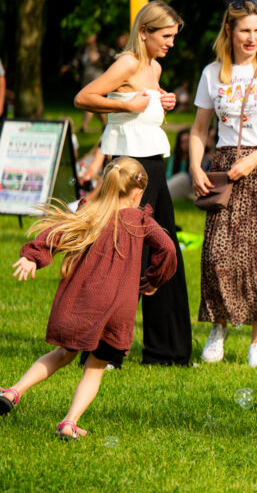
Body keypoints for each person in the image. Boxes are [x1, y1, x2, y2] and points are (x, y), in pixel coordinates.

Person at [1, 158, 177, 438]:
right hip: (118, 309)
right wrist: (154, 279)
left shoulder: (90, 212)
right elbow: (168, 248)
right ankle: (69, 422)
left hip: (82, 302)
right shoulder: (141, 220)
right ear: (137, 193)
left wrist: (32, 257)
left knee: (61, 354)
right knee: (94, 368)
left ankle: (13, 391)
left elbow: (55, 233)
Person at [73, 0, 191, 366]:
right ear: (145, 32)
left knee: (165, 252)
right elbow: (84, 97)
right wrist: (127, 106)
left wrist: (163, 101)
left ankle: (167, 350)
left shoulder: (154, 66)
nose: (171, 43)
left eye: (173, 36)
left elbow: (143, 106)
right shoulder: (126, 63)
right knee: (123, 257)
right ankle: (103, 348)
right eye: (165, 36)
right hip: (129, 170)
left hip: (154, 167)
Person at [189, 0, 257, 369]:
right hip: (223, 167)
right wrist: (194, 166)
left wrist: (251, 160)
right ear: (229, 33)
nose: (251, 38)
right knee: (218, 254)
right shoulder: (212, 73)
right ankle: (218, 328)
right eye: (244, 30)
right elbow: (199, 129)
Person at [62, 33, 117, 132]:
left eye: (90, 35)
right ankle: (105, 124)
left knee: (90, 102)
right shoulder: (83, 50)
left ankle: (84, 126)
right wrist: (69, 67)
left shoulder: (101, 49)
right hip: (86, 79)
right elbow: (76, 61)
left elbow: (110, 60)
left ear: (95, 36)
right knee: (94, 102)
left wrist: (99, 60)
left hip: (97, 78)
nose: (87, 38)